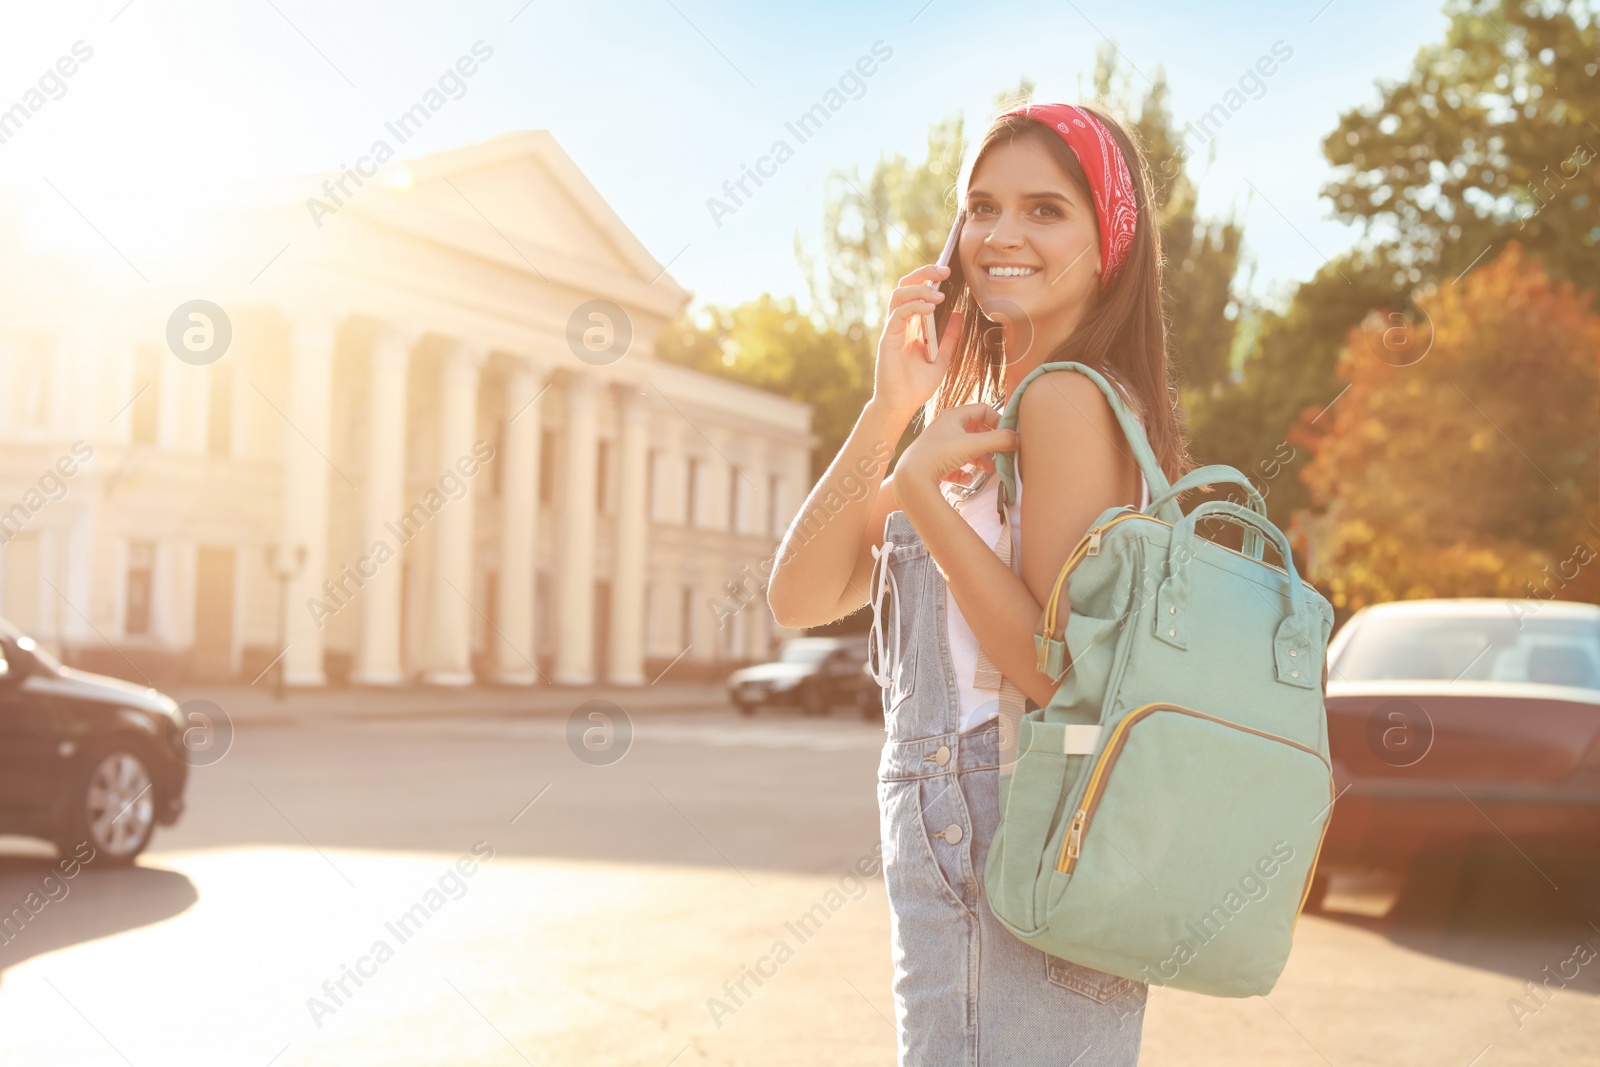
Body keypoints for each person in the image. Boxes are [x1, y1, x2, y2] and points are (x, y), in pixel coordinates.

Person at [767, 100, 1196, 1066]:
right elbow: (799, 595)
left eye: (1046, 210)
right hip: (985, 819)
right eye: (982, 208)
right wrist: (890, 413)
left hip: (998, 809)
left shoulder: (1067, 401)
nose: (1001, 235)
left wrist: (919, 486)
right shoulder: (983, 420)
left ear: (1109, 240)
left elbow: (1058, 672)